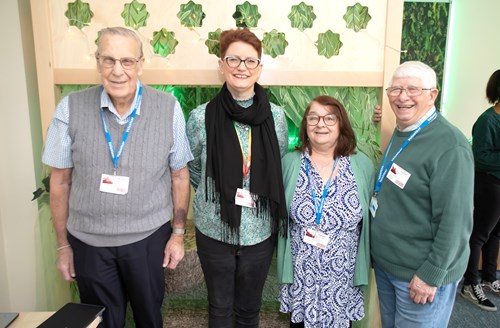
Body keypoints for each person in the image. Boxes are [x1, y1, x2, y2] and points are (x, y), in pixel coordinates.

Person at [42, 27, 193, 328]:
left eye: (127, 61)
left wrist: (177, 235)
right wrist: (63, 246)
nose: (117, 71)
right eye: (108, 60)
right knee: (102, 323)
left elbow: (180, 175)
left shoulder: (168, 108)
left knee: (149, 317)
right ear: (97, 62)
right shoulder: (70, 108)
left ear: (140, 63)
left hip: (147, 239)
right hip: (88, 242)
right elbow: (59, 182)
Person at [186, 28, 289, 327]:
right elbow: (194, 170)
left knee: (248, 309)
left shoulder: (277, 117)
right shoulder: (200, 116)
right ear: (221, 65)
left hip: (259, 231)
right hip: (214, 228)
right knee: (218, 307)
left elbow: (279, 162)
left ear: (259, 67)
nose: (241, 67)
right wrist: (221, 195)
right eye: (233, 59)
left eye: (250, 61)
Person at [370, 61, 474, 327]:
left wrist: (431, 274)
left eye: (413, 89)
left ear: (433, 94)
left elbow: (455, 221)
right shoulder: (404, 130)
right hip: (388, 266)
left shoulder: (450, 147)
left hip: (420, 275)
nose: (402, 97)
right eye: (395, 89)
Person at [277, 96, 376, 327]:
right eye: (313, 117)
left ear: (341, 124)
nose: (320, 124)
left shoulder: (362, 165)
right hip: (302, 272)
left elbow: (370, 217)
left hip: (343, 273)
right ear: (305, 125)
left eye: (329, 118)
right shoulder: (289, 163)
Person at [461, 69, 500, 311]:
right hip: (490, 185)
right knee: (479, 235)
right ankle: (469, 284)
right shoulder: (488, 120)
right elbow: (481, 157)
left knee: (496, 234)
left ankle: (489, 279)